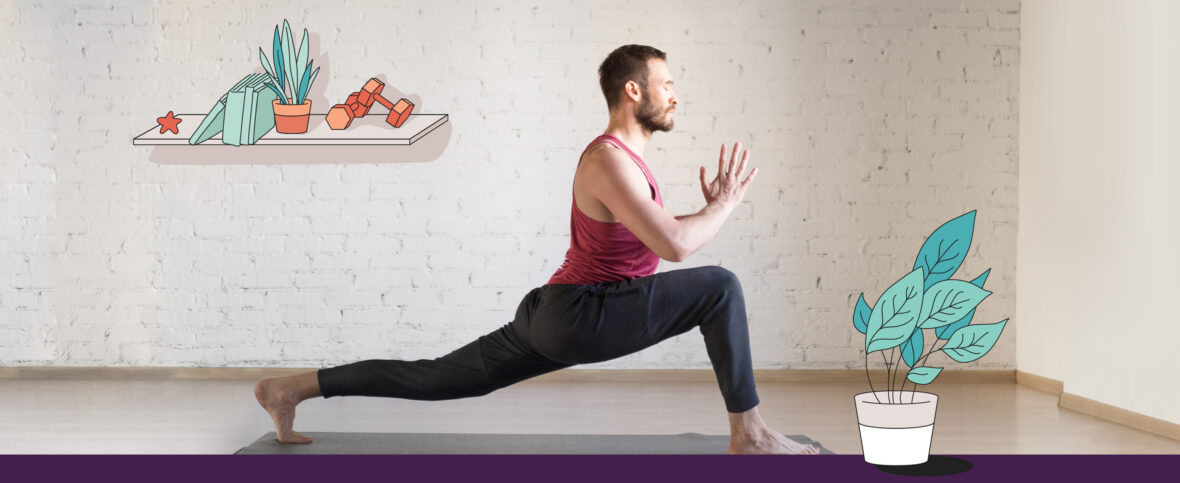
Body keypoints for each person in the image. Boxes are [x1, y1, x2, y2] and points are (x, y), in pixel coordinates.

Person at [255, 44, 819, 455]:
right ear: (634, 90)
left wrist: (710, 208)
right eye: (666, 83)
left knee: (434, 378)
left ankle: (289, 389)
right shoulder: (607, 160)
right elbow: (675, 245)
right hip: (580, 313)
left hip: (557, 312)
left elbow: (665, 234)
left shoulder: (624, 163)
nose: (676, 94)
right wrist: (724, 206)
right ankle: (750, 432)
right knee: (720, 287)